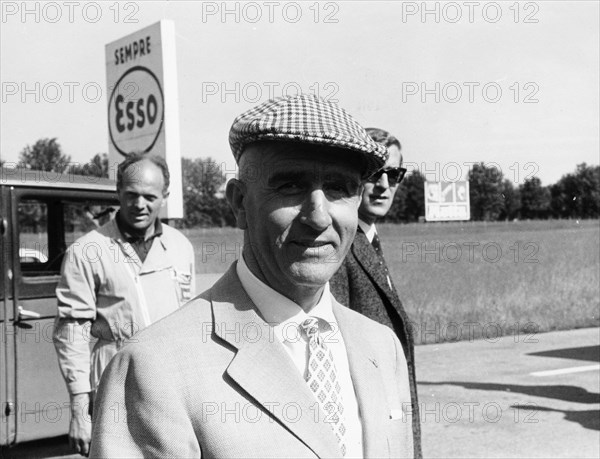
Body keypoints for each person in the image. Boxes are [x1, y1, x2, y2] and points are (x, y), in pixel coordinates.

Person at [90, 94, 414, 458]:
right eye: (290, 186)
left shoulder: (381, 348)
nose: (319, 216)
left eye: (339, 188)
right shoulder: (152, 368)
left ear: (357, 202)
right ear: (240, 203)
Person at [53, 153, 195, 456]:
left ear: (165, 197)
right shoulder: (87, 250)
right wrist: (80, 410)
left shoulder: (180, 246)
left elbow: (190, 322)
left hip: (171, 386)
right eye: (131, 195)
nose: (140, 204)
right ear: (118, 192)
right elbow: (71, 332)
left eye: (149, 196)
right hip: (114, 381)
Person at [329, 127, 421, 458]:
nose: (384, 185)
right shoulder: (340, 247)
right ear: (353, 178)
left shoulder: (369, 241)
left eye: (394, 174)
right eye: (374, 174)